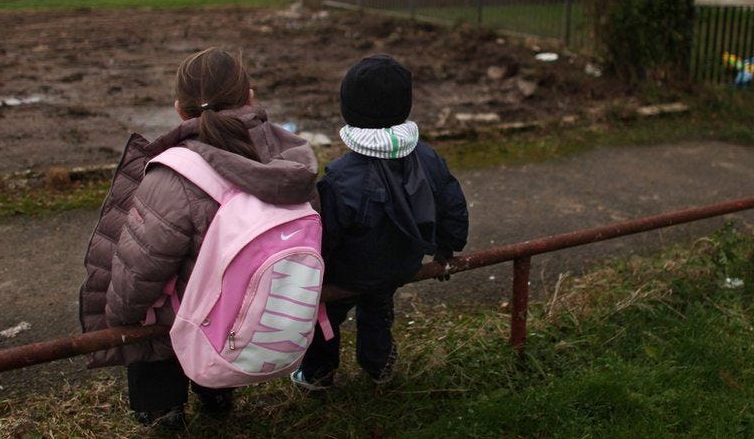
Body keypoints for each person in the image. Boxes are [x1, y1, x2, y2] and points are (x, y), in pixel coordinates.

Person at [78, 48, 319, 429]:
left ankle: (163, 413)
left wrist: (120, 320)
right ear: (250, 97)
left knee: (153, 326)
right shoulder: (290, 158)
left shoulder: (175, 174)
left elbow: (141, 267)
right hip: (246, 312)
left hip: (186, 316)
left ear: (179, 109)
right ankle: (216, 393)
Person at [291, 54, 469, 390]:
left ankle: (317, 375)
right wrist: (448, 247)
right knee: (377, 312)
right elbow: (452, 203)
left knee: (326, 316)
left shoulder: (341, 179)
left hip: (347, 272)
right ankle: (379, 368)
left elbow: (324, 235)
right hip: (402, 262)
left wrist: (316, 271)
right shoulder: (428, 158)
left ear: (349, 111)